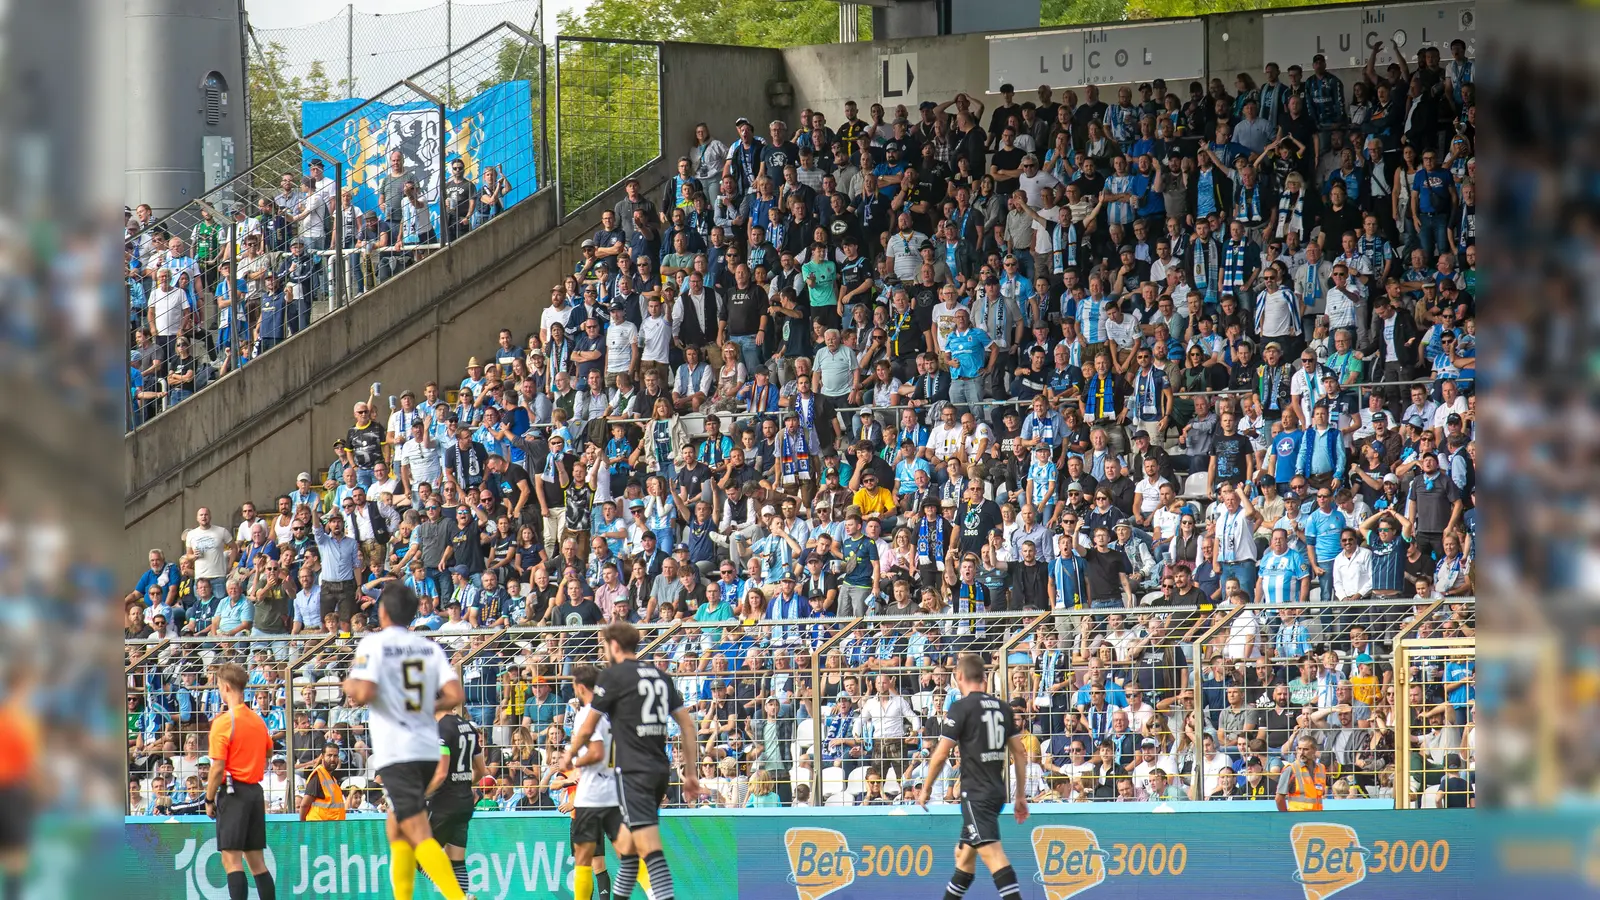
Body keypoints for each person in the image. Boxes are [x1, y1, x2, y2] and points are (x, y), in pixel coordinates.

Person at [340, 583, 472, 900]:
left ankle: (458, 897)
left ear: (382, 611)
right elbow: (455, 695)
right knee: (396, 828)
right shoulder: (427, 647)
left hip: (399, 751)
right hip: (427, 748)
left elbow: (365, 693)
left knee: (417, 832)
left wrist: (350, 684)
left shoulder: (374, 644)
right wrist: (423, 706)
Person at [561, 622, 701, 900]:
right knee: (628, 852)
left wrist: (568, 755)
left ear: (614, 645)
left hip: (634, 773)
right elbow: (687, 725)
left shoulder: (613, 677)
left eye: (604, 646)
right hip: (660, 769)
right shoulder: (661, 676)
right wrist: (691, 772)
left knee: (650, 850)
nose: (604, 651)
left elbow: (588, 727)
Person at [917, 653, 1029, 900]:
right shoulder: (1002, 707)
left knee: (993, 854)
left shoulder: (961, 707)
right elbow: (1020, 753)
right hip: (996, 792)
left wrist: (925, 789)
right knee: (964, 857)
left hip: (975, 794)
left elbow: (941, 753)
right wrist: (1020, 794)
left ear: (958, 677)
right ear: (985, 678)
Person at [556, 663, 651, 900]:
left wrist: (573, 762)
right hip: (611, 791)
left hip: (592, 795)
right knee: (624, 851)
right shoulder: (609, 715)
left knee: (583, 859)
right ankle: (654, 893)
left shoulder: (588, 714)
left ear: (579, 687)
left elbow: (596, 752)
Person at [204, 662, 278, 900]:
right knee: (256, 860)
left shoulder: (224, 722)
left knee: (231, 859)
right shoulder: (257, 720)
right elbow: (268, 751)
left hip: (234, 792)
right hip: (255, 792)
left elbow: (217, 767)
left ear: (225, 687)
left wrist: (208, 798)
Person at [425, 697, 487, 895]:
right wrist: (463, 784)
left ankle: (458, 896)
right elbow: (481, 769)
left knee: (418, 856)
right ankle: (462, 896)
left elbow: (441, 773)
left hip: (444, 802)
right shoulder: (469, 726)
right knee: (457, 860)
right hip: (464, 801)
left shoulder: (441, 728)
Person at [1275, 734, 1328, 812]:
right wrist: (1286, 817)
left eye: (1306, 749)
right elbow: (1279, 798)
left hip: (1316, 817)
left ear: (1314, 750)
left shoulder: (1321, 768)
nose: (1301, 753)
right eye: (1299, 749)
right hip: (1297, 817)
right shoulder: (1291, 769)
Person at [298, 743, 347, 822]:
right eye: (329, 755)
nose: (332, 759)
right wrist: (303, 824)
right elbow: (304, 805)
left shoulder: (332, 778)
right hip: (319, 826)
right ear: (322, 757)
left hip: (331, 827)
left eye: (335, 756)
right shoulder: (318, 776)